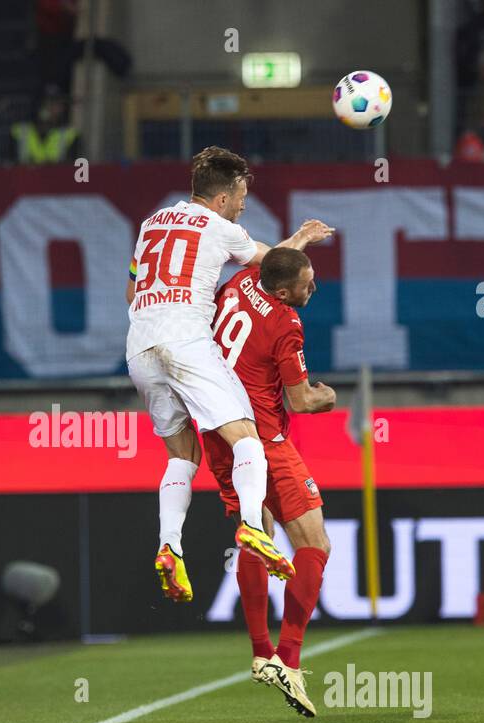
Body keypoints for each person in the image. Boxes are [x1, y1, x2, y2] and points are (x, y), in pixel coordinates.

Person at [124, 146, 333, 603]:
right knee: (248, 438)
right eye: (240, 197)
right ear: (221, 199)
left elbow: (130, 290)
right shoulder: (222, 229)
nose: (242, 205)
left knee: (181, 455)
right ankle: (254, 529)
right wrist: (299, 238)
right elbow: (270, 261)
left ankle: (170, 546)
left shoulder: (151, 224)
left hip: (139, 345)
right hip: (186, 341)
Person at [204, 248, 336, 718]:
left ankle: (261, 652)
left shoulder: (243, 279)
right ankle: (290, 659)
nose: (313, 288)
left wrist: (301, 238)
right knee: (315, 543)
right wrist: (327, 397)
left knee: (254, 532)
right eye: (307, 283)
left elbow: (273, 257)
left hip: (218, 429)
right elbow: (300, 401)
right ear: (282, 291)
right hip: (262, 439)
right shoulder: (286, 323)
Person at [9, 86, 81, 165]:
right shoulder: (20, 131)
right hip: (25, 176)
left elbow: (72, 168)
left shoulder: (70, 134)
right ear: (39, 106)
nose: (57, 108)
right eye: (51, 103)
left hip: (55, 177)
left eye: (59, 104)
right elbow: (9, 163)